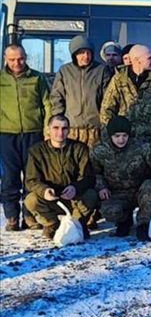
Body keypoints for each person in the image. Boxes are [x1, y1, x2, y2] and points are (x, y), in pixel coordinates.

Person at [1, 45, 52, 231]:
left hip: (33, 133)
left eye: (20, 58)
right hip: (7, 135)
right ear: (6, 58)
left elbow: (48, 104)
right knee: (10, 178)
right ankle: (12, 217)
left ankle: (30, 216)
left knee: (32, 177)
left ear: (26, 57)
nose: (17, 63)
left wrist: (47, 129)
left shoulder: (37, 78)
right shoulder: (1, 79)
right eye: (12, 59)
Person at [24, 115, 99, 240]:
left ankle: (77, 224)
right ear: (48, 129)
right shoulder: (36, 151)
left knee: (91, 195)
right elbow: (31, 180)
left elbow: (88, 177)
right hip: (51, 199)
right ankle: (52, 225)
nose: (60, 132)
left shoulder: (79, 148)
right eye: (56, 128)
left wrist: (75, 188)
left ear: (69, 130)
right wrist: (44, 190)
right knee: (31, 200)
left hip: (74, 197)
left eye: (64, 128)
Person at [90, 116, 151, 239]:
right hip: (117, 192)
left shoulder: (144, 148)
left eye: (124, 135)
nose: (121, 140)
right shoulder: (99, 151)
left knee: (150, 186)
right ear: (110, 136)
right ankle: (124, 219)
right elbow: (96, 173)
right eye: (117, 136)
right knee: (109, 211)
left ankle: (144, 224)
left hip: (140, 190)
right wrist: (102, 187)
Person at [100, 45, 151, 155]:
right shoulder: (119, 80)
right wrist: (109, 139)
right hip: (125, 141)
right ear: (137, 60)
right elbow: (107, 110)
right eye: (149, 58)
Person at [50, 34, 112, 149]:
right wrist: (59, 123)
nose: (86, 56)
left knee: (93, 165)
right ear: (74, 54)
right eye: (81, 52)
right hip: (71, 130)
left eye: (88, 52)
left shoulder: (102, 70)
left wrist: (105, 125)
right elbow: (57, 98)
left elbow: (108, 101)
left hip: (95, 131)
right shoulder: (65, 71)